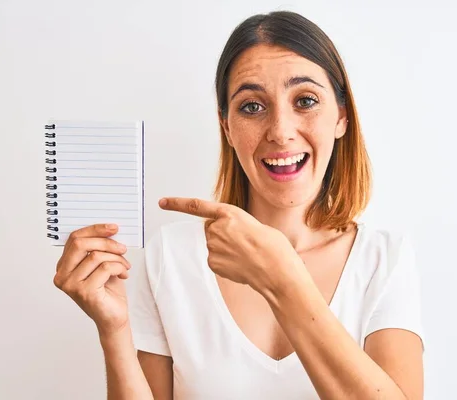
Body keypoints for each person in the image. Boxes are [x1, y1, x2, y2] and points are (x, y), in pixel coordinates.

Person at [53, 10, 425, 400]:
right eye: (252, 106)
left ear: (341, 118)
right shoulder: (170, 255)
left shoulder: (384, 259)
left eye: (306, 100)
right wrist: (114, 331)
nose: (281, 131)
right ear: (227, 126)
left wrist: (280, 278)